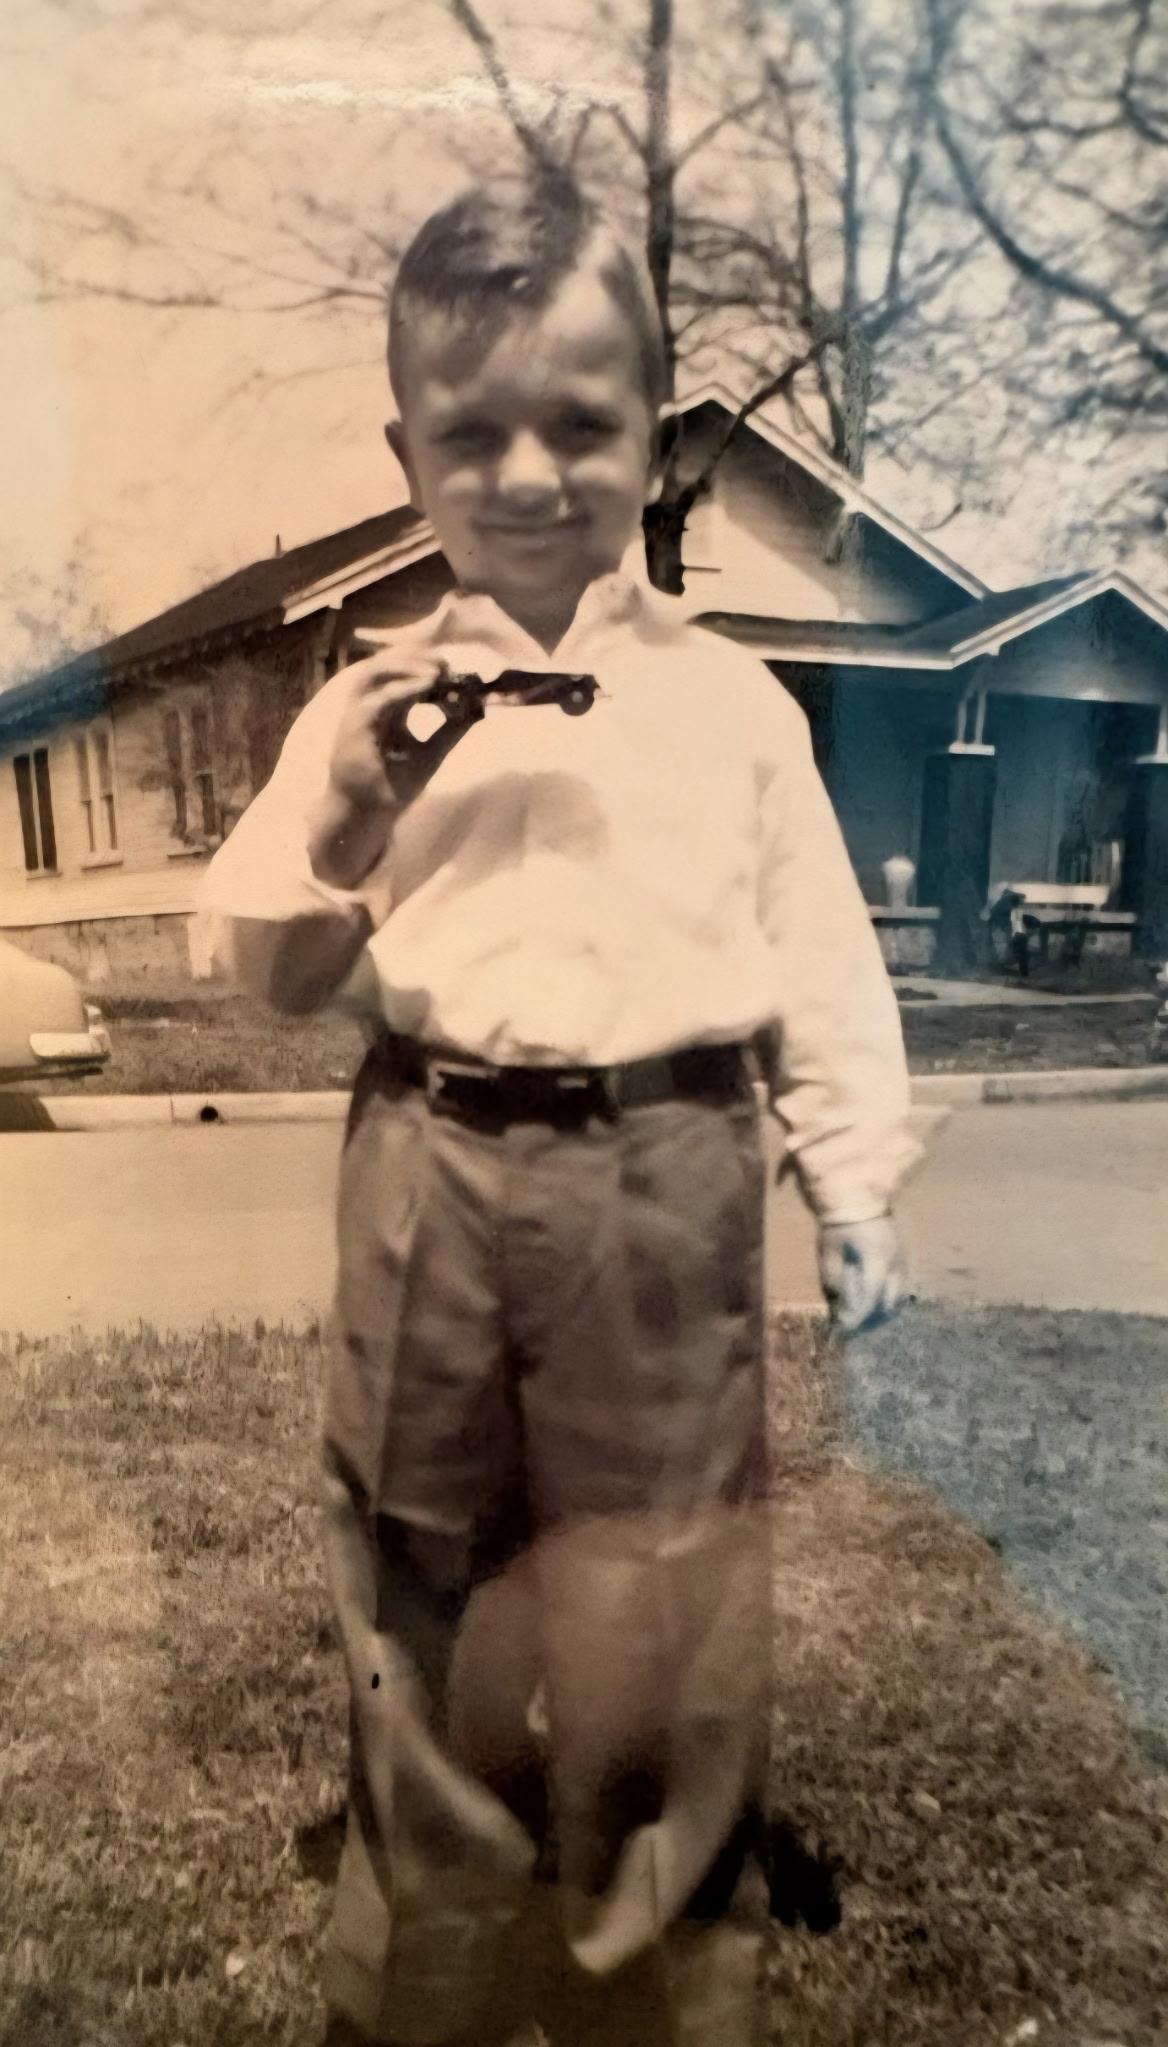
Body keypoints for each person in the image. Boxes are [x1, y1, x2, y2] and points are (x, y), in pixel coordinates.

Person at [198, 169, 919, 2047]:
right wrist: (344, 818)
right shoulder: (359, 704)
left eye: (583, 426)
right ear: (408, 449)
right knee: (408, 1554)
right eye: (473, 431)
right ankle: (420, 1964)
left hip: (664, 1169)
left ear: (657, 442)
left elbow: (821, 964)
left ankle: (658, 1975)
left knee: (663, 1583)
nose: (528, 473)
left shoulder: (740, 709)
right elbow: (262, 966)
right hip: (426, 1159)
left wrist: (851, 1183)